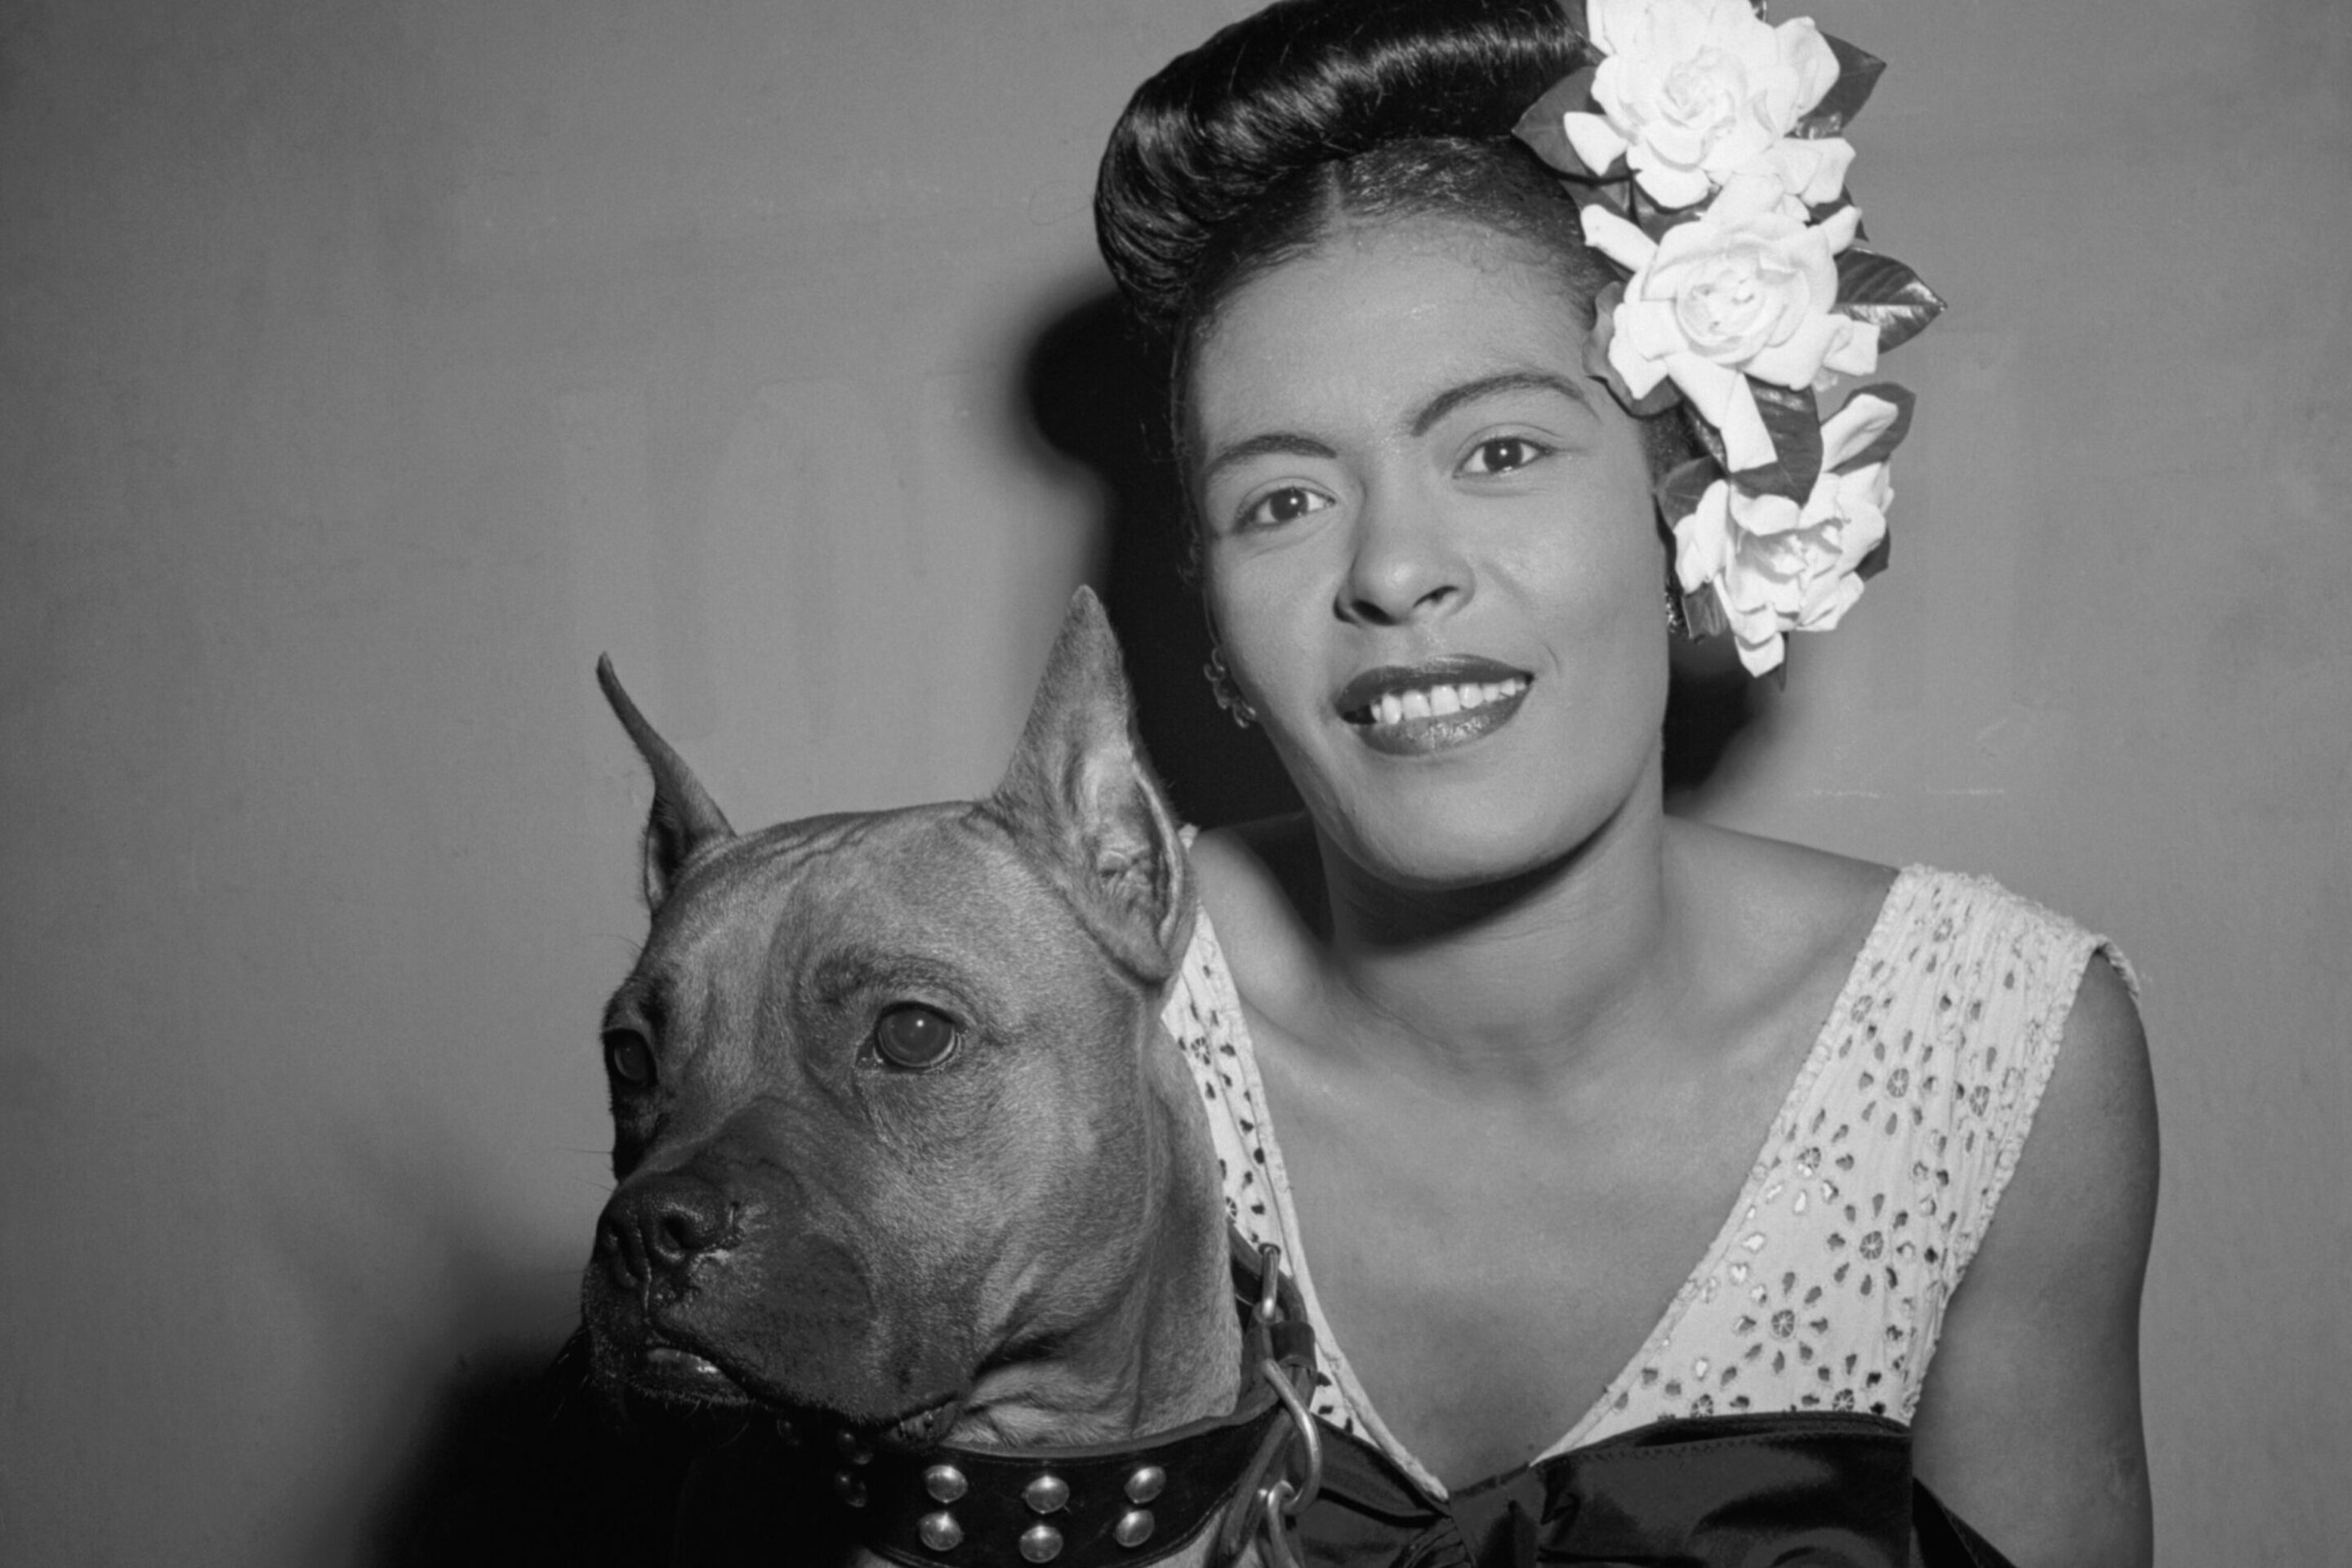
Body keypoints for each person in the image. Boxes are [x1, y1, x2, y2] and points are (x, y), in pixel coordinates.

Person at [1091, 2, 2158, 1563]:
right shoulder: (1077, 1021)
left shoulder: (1998, 1062)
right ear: (1206, 615)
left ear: (1691, 496)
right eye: (1284, 499)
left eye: (1503, 452)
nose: (1391, 571)